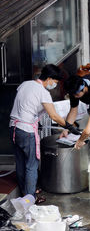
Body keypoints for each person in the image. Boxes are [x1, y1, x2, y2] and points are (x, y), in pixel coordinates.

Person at [10, 64, 72, 200]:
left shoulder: (25, 84)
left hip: (14, 128)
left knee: (20, 163)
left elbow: (26, 103)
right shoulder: (43, 93)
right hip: (26, 130)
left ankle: (24, 194)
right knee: (31, 165)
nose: (54, 85)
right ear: (49, 79)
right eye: (54, 82)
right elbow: (54, 116)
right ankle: (30, 199)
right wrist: (70, 126)